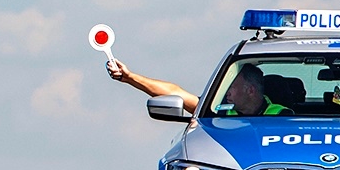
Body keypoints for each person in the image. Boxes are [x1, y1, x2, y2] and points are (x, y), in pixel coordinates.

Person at [108, 59, 291, 116]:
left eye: (231, 87)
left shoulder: (283, 116)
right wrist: (130, 78)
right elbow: (175, 92)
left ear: (250, 90)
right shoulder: (219, 111)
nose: (225, 92)